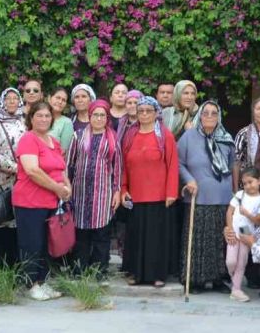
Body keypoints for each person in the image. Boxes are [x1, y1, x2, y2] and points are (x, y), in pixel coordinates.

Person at [13, 101, 71, 300]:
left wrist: (67, 186)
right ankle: (31, 284)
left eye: (47, 116)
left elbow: (61, 169)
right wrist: (57, 188)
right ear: (31, 118)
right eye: (39, 116)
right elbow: (32, 170)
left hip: (51, 202)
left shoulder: (53, 142)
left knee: (46, 244)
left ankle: (43, 281)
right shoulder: (28, 139)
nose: (44, 119)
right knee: (32, 244)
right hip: (30, 201)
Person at [121, 96, 179, 287]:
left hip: (159, 195)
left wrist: (172, 192)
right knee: (136, 236)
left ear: (156, 113)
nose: (144, 114)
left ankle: (157, 275)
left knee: (156, 237)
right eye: (141, 111)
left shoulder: (165, 135)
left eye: (148, 111)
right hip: (135, 195)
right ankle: (136, 274)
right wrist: (123, 189)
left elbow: (172, 165)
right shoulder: (130, 135)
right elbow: (123, 165)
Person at [178, 100, 234, 293]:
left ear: (219, 117)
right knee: (198, 242)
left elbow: (233, 165)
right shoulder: (188, 136)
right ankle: (196, 280)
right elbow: (179, 163)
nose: (209, 116)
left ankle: (218, 279)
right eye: (206, 113)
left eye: (214, 113)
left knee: (219, 241)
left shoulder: (226, 138)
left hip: (223, 196)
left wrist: (235, 193)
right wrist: (189, 180)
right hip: (198, 196)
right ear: (199, 115)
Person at [67, 99, 122, 281]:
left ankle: (99, 272)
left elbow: (118, 168)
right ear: (90, 116)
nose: (99, 118)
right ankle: (79, 270)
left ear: (107, 118)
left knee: (101, 234)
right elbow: (69, 163)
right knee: (81, 233)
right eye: (95, 115)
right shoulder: (78, 136)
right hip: (80, 193)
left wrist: (116, 191)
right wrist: (66, 186)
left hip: (103, 193)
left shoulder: (113, 139)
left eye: (103, 115)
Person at [0, 87, 25, 266]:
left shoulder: (24, 123)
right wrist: (16, 168)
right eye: (8, 98)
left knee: (18, 225)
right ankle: (3, 269)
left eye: (15, 98)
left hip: (23, 181)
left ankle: (17, 267)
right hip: (3, 180)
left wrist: (24, 169)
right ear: (2, 101)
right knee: (3, 222)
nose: (12, 101)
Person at [224, 167, 260, 302]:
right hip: (235, 229)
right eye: (245, 183)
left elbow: (258, 220)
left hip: (246, 231)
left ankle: (236, 289)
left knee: (241, 261)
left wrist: (247, 213)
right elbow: (229, 212)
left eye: (250, 182)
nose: (247, 186)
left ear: (259, 181)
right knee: (231, 261)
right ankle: (233, 278)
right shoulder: (240, 194)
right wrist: (229, 229)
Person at [47, 87, 76, 152]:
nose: (60, 102)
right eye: (57, 98)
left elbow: (63, 151)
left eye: (63, 100)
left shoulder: (66, 122)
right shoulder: (40, 117)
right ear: (49, 98)